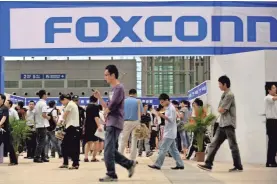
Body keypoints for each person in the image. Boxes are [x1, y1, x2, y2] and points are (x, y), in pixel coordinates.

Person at [94, 65, 136, 182]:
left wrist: (106, 112)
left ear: (113, 75)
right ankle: (128, 164)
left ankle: (111, 174)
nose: (105, 77)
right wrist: (100, 98)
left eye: (106, 75)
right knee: (110, 149)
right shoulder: (113, 89)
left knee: (108, 150)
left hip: (114, 122)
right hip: (111, 121)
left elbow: (113, 105)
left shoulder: (119, 88)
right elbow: (108, 106)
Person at [198, 75, 243, 172]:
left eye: (219, 84)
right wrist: (220, 109)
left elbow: (222, 109)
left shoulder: (229, 95)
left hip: (228, 124)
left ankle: (238, 166)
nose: (219, 86)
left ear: (225, 84)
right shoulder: (224, 95)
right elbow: (220, 109)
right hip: (222, 124)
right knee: (213, 144)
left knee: (233, 146)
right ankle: (208, 164)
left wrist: (220, 109)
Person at [148, 93, 184, 170]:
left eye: (162, 102)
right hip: (169, 131)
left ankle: (158, 164)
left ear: (167, 100)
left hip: (170, 132)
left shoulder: (171, 109)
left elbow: (171, 120)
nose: (161, 104)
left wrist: (161, 115)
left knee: (163, 148)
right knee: (173, 150)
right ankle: (180, 164)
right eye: (160, 102)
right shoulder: (168, 108)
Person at [118, 89, 142, 160]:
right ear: (135, 94)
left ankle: (120, 157)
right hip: (136, 122)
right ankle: (132, 159)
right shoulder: (138, 101)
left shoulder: (124, 101)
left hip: (126, 122)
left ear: (129, 94)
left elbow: (120, 112)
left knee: (123, 140)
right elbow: (141, 113)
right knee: (134, 140)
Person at [59, 94, 80, 170]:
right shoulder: (72, 104)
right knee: (65, 145)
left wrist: (60, 123)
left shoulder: (70, 104)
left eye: (62, 101)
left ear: (64, 99)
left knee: (71, 146)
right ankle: (66, 162)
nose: (62, 103)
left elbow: (64, 116)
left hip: (72, 127)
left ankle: (75, 163)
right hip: (72, 127)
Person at [0, 94, 17, 166]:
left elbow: (4, 117)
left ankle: (14, 161)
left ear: (2, 100)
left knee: (9, 145)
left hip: (5, 130)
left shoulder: (5, 108)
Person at [83, 95, 102, 162]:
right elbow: (96, 117)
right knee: (96, 142)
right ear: (96, 100)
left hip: (87, 125)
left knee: (88, 142)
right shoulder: (95, 107)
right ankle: (93, 157)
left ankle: (85, 157)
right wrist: (99, 125)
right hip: (93, 126)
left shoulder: (87, 106)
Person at [34, 90, 50, 163]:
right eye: (46, 94)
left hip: (38, 124)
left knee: (42, 141)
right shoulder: (43, 103)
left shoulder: (37, 103)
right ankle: (37, 157)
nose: (47, 96)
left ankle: (43, 157)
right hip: (42, 125)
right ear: (43, 95)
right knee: (41, 142)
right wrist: (48, 117)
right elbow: (44, 115)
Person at [264, 83, 277, 167]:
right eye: (273, 88)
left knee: (275, 142)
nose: (275, 89)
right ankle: (269, 162)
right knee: (272, 142)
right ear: (269, 90)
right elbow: (274, 99)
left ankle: (273, 161)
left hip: (275, 121)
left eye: (275, 87)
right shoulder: (268, 98)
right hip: (271, 122)